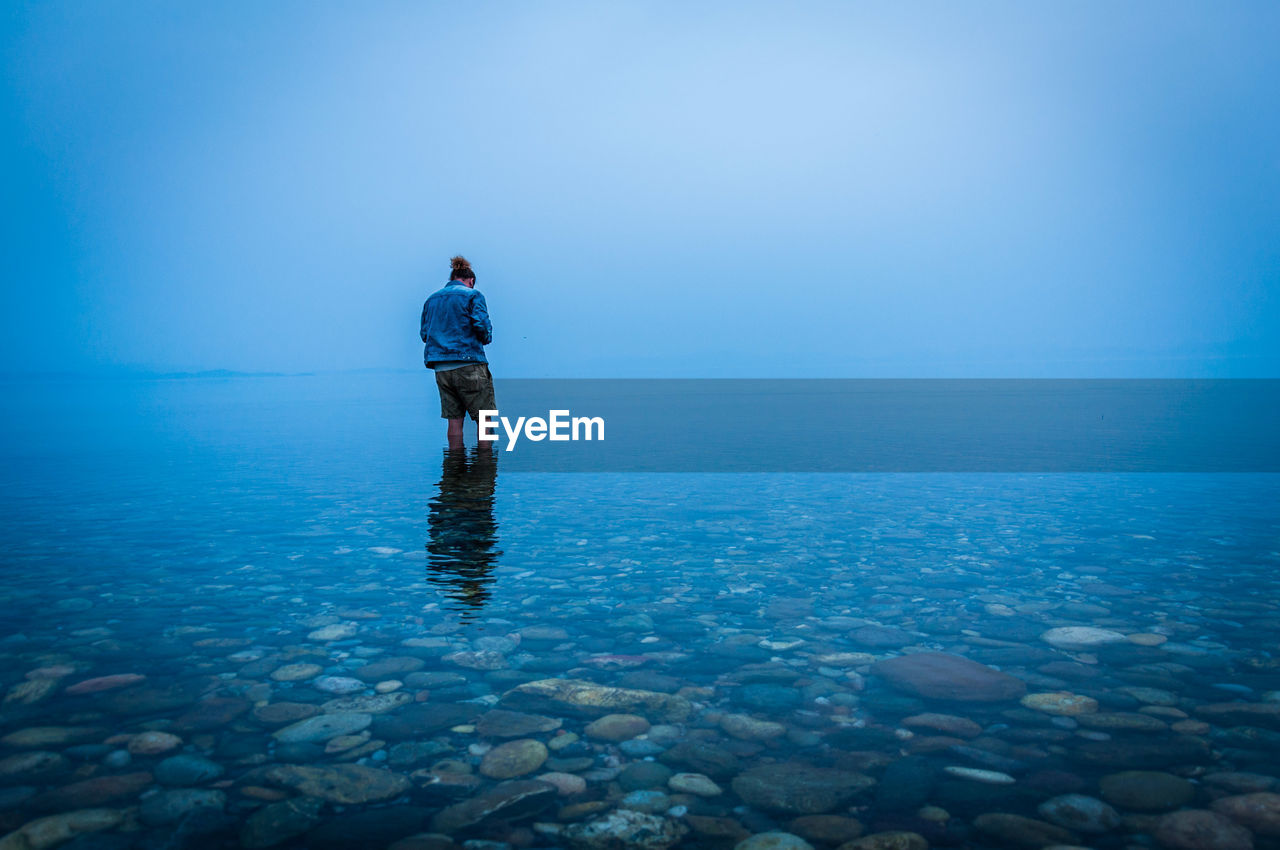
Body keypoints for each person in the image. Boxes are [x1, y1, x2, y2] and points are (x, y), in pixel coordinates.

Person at [421, 255, 495, 448]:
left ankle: (454, 467)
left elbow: (424, 334)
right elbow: (482, 327)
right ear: (471, 281)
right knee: (485, 420)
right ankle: (484, 468)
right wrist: (486, 337)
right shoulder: (473, 295)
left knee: (454, 420)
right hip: (469, 363)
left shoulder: (431, 300)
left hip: (441, 369)